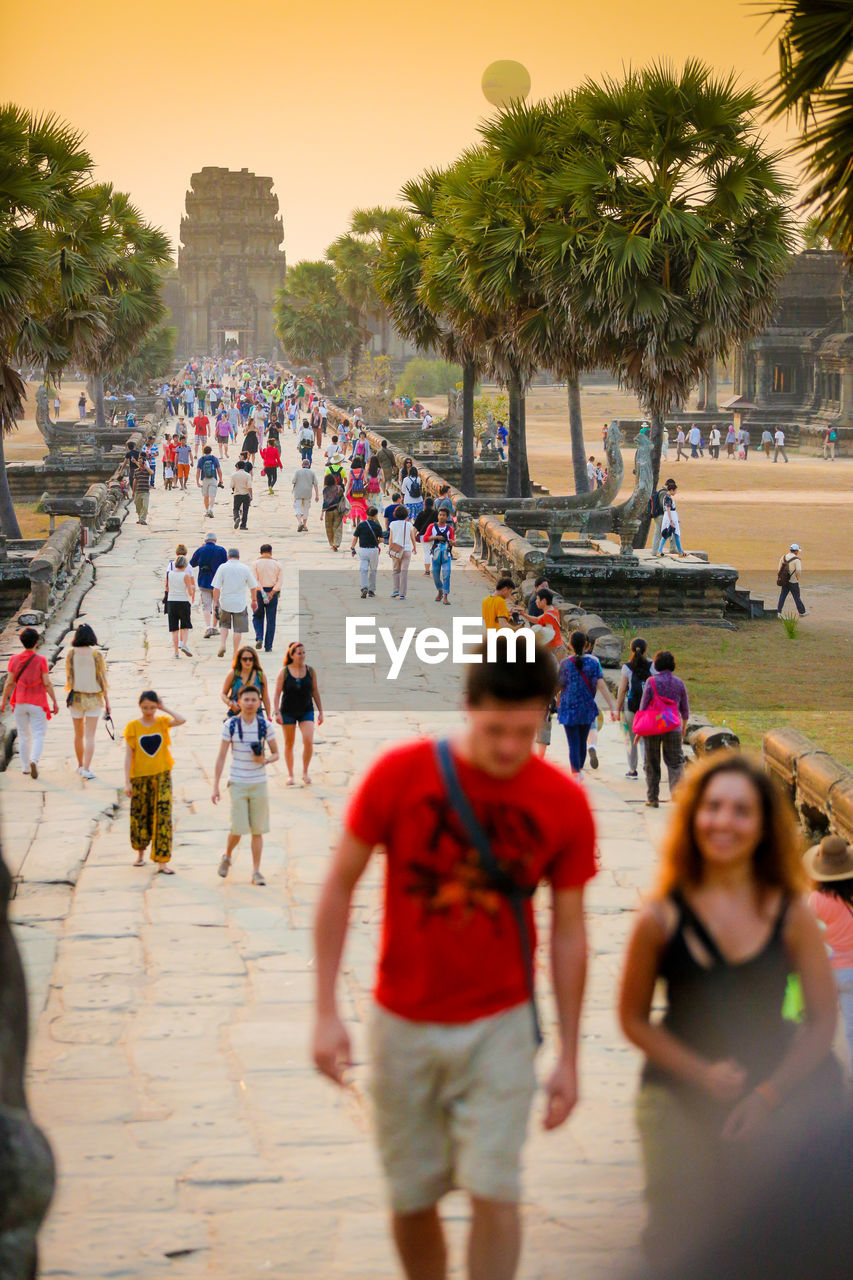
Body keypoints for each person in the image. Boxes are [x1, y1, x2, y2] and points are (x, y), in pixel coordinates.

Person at [312, 639, 596, 1280]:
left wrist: (571, 1056)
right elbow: (338, 886)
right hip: (402, 1020)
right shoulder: (400, 774)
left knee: (497, 1187)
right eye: (495, 730)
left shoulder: (563, 802)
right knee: (411, 1195)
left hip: (501, 1024)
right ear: (468, 706)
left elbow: (571, 932)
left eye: (525, 733)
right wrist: (326, 1009)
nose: (507, 750)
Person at [618, 752, 842, 1267]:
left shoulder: (789, 916)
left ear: (763, 826)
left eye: (741, 810)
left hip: (777, 1077)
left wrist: (767, 1095)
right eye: (713, 806)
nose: (724, 821)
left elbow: (821, 1021)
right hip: (679, 1083)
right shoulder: (660, 916)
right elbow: (632, 1018)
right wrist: (701, 1073)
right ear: (694, 816)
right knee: (681, 1233)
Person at [212, 685, 279, 886]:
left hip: (258, 782)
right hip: (238, 781)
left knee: (258, 830)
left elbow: (276, 753)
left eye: (253, 700)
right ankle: (228, 855)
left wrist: (265, 760)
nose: (250, 703)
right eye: (246, 700)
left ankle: (256, 870)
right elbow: (222, 756)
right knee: (238, 828)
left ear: (259, 703)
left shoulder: (264, 726)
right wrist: (215, 785)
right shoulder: (231, 725)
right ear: (239, 702)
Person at [805, 835, 853, 1073]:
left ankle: (823, 1069)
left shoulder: (816, 899)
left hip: (829, 972)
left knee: (823, 1025)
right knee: (852, 1027)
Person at [124, 691, 185, 873]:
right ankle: (140, 855)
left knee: (163, 818)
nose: (149, 711)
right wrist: (127, 782)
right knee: (140, 815)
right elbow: (128, 756)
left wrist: (163, 707)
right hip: (140, 778)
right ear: (139, 706)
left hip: (162, 776)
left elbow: (181, 720)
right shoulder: (133, 727)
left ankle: (162, 861)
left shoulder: (161, 722)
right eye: (145, 708)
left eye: (152, 707)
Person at [0, 627, 59, 779]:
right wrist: (54, 701)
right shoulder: (41, 660)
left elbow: (9, 682)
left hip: (19, 702)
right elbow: (47, 683)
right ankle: (34, 760)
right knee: (38, 733)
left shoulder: (14, 659)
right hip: (37, 702)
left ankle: (25, 767)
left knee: (23, 734)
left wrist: (3, 701)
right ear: (37, 642)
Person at [557, 630, 618, 775]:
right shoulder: (593, 663)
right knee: (583, 741)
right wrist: (612, 706)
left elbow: (559, 686)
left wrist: (550, 702)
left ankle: (575, 773)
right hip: (586, 708)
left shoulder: (565, 663)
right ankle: (580, 767)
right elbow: (601, 685)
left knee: (573, 744)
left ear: (570, 645)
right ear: (587, 645)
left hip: (568, 708)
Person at [636, 650, 689, 808]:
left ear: (657, 665)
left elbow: (643, 707)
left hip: (653, 727)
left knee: (652, 763)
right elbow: (685, 709)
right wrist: (683, 728)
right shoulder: (679, 683)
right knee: (676, 763)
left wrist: (639, 731)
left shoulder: (651, 682)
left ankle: (653, 798)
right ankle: (678, 797)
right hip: (673, 726)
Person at [65, 623, 111, 780]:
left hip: (76, 698)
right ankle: (86, 768)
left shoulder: (71, 654)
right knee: (90, 735)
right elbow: (103, 680)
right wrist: (107, 702)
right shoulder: (96, 655)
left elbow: (69, 678)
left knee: (78, 735)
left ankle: (79, 765)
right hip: (93, 698)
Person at [274, 641, 324, 785]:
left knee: (308, 741)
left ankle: (305, 772)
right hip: (288, 711)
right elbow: (277, 693)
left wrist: (320, 711)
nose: (302, 656)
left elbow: (315, 691)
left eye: (303, 653)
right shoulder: (284, 672)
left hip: (306, 710)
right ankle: (290, 775)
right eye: (299, 653)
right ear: (292, 655)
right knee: (289, 743)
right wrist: (277, 712)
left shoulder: (310, 671)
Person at [211, 548, 259, 658]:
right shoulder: (244, 568)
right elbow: (253, 586)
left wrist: (216, 601)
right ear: (239, 557)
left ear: (228, 556)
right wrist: (254, 600)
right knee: (238, 629)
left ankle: (223, 644)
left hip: (225, 602)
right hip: (239, 603)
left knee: (224, 625)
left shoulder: (222, 567)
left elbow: (216, 588)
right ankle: (235, 652)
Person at [616, 637, 652, 779]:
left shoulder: (627, 667)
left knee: (630, 739)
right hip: (648, 709)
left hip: (630, 707)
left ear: (631, 650)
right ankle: (647, 766)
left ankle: (632, 770)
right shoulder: (652, 666)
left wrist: (618, 709)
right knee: (645, 739)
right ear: (646, 650)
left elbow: (622, 689)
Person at [190, 531, 228, 639]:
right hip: (217, 582)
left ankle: (207, 627)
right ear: (215, 541)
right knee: (216, 603)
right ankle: (214, 627)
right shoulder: (221, 550)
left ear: (205, 541)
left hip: (203, 580)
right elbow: (226, 564)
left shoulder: (200, 550)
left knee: (206, 605)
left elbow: (192, 563)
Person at [221, 646, 271, 719]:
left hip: (256, 714)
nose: (248, 662)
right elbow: (223, 694)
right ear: (239, 660)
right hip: (236, 713)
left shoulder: (260, 675)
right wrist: (230, 703)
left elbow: (265, 697)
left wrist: (268, 716)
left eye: (251, 659)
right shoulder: (233, 674)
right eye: (244, 659)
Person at [252, 544, 282, 653]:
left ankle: (259, 637)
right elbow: (280, 581)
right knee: (271, 619)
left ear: (260, 552)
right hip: (272, 593)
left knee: (257, 616)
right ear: (271, 552)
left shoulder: (255, 564)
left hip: (259, 592)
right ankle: (268, 646)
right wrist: (272, 592)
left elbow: (254, 580)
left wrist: (263, 592)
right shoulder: (277, 564)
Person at [422, 507, 455, 604]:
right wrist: (436, 537)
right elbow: (425, 538)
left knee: (446, 575)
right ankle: (440, 590)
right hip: (435, 554)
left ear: (447, 517)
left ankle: (445, 596)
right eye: (440, 515)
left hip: (446, 554)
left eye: (443, 515)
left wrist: (452, 542)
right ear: (438, 516)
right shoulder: (432, 527)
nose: (441, 517)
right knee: (435, 576)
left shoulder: (450, 529)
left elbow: (453, 541)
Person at [165, 555, 195, 658]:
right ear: (185, 565)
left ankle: (176, 653)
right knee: (185, 625)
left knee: (174, 629)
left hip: (171, 602)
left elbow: (167, 588)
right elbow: (190, 592)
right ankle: (183, 644)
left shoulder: (170, 574)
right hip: (182, 601)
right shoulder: (185, 575)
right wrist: (192, 587)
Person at [350, 505, 384, 598]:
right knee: (373, 570)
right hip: (373, 550)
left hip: (363, 550)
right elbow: (381, 539)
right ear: (375, 515)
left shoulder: (361, 525)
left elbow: (355, 538)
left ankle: (364, 587)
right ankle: (371, 590)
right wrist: (376, 542)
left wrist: (352, 548)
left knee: (363, 570)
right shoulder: (377, 526)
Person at [388, 504, 417, 600]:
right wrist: (414, 547)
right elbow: (412, 537)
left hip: (396, 549)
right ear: (406, 515)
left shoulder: (392, 524)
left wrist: (389, 549)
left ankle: (395, 590)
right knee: (404, 572)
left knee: (396, 570)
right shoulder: (409, 525)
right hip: (407, 549)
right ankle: (402, 594)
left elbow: (391, 538)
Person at [776, 542, 808, 617]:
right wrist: (797, 578)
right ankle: (802, 612)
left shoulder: (783, 557)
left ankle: (778, 611)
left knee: (782, 596)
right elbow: (798, 571)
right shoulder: (796, 560)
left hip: (784, 581)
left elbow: (779, 569)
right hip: (793, 581)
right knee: (796, 597)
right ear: (796, 551)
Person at [651, 480, 678, 557]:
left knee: (658, 534)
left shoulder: (660, 491)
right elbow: (665, 507)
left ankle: (654, 551)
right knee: (670, 531)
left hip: (657, 516)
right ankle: (672, 549)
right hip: (662, 516)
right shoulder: (664, 493)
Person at [292, 457, 319, 532]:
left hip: (298, 493)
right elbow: (315, 485)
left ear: (302, 464)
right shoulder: (312, 472)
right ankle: (304, 526)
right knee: (306, 509)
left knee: (298, 508)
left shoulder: (297, 472)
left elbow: (293, 481)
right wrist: (317, 495)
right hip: (307, 493)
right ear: (309, 465)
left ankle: (300, 522)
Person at [322, 472, 346, 551]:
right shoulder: (339, 488)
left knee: (329, 529)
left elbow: (325, 502)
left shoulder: (325, 490)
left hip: (328, 511)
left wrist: (322, 513)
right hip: (337, 511)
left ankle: (332, 544)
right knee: (337, 528)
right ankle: (336, 544)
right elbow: (342, 498)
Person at [413, 497, 437, 576]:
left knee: (426, 553)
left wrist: (413, 540)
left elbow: (415, 528)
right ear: (433, 505)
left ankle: (427, 571)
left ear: (424, 504)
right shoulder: (436, 513)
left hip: (424, 536)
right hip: (434, 535)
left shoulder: (421, 514)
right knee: (435, 553)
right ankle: (435, 569)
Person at [196, 446, 222, 518]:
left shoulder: (201, 459)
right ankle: (211, 509)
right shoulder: (214, 459)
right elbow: (219, 470)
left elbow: (198, 471)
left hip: (204, 479)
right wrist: (221, 479)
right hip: (213, 478)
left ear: (203, 451)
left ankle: (207, 510)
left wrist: (197, 481)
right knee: (212, 495)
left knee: (206, 496)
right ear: (211, 451)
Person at [231, 461, 253, 531]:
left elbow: (231, 485)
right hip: (246, 494)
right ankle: (243, 525)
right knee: (245, 510)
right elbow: (249, 486)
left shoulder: (234, 475)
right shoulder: (248, 475)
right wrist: (251, 495)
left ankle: (236, 517)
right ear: (244, 467)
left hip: (237, 494)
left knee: (236, 509)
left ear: (237, 466)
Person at [131, 452, 153, 524]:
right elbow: (135, 481)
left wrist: (146, 466)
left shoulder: (147, 470)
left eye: (141, 462)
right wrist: (133, 491)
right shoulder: (136, 471)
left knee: (145, 506)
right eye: (139, 462)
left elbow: (152, 473)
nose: (140, 463)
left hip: (145, 491)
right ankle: (140, 517)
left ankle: (142, 519)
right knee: (138, 506)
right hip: (138, 491)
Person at [346, 461, 368, 528]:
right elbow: (366, 481)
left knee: (353, 507)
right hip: (360, 492)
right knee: (359, 507)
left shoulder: (351, 472)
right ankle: (358, 522)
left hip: (352, 492)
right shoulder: (363, 471)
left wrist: (346, 492)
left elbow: (349, 482)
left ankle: (353, 522)